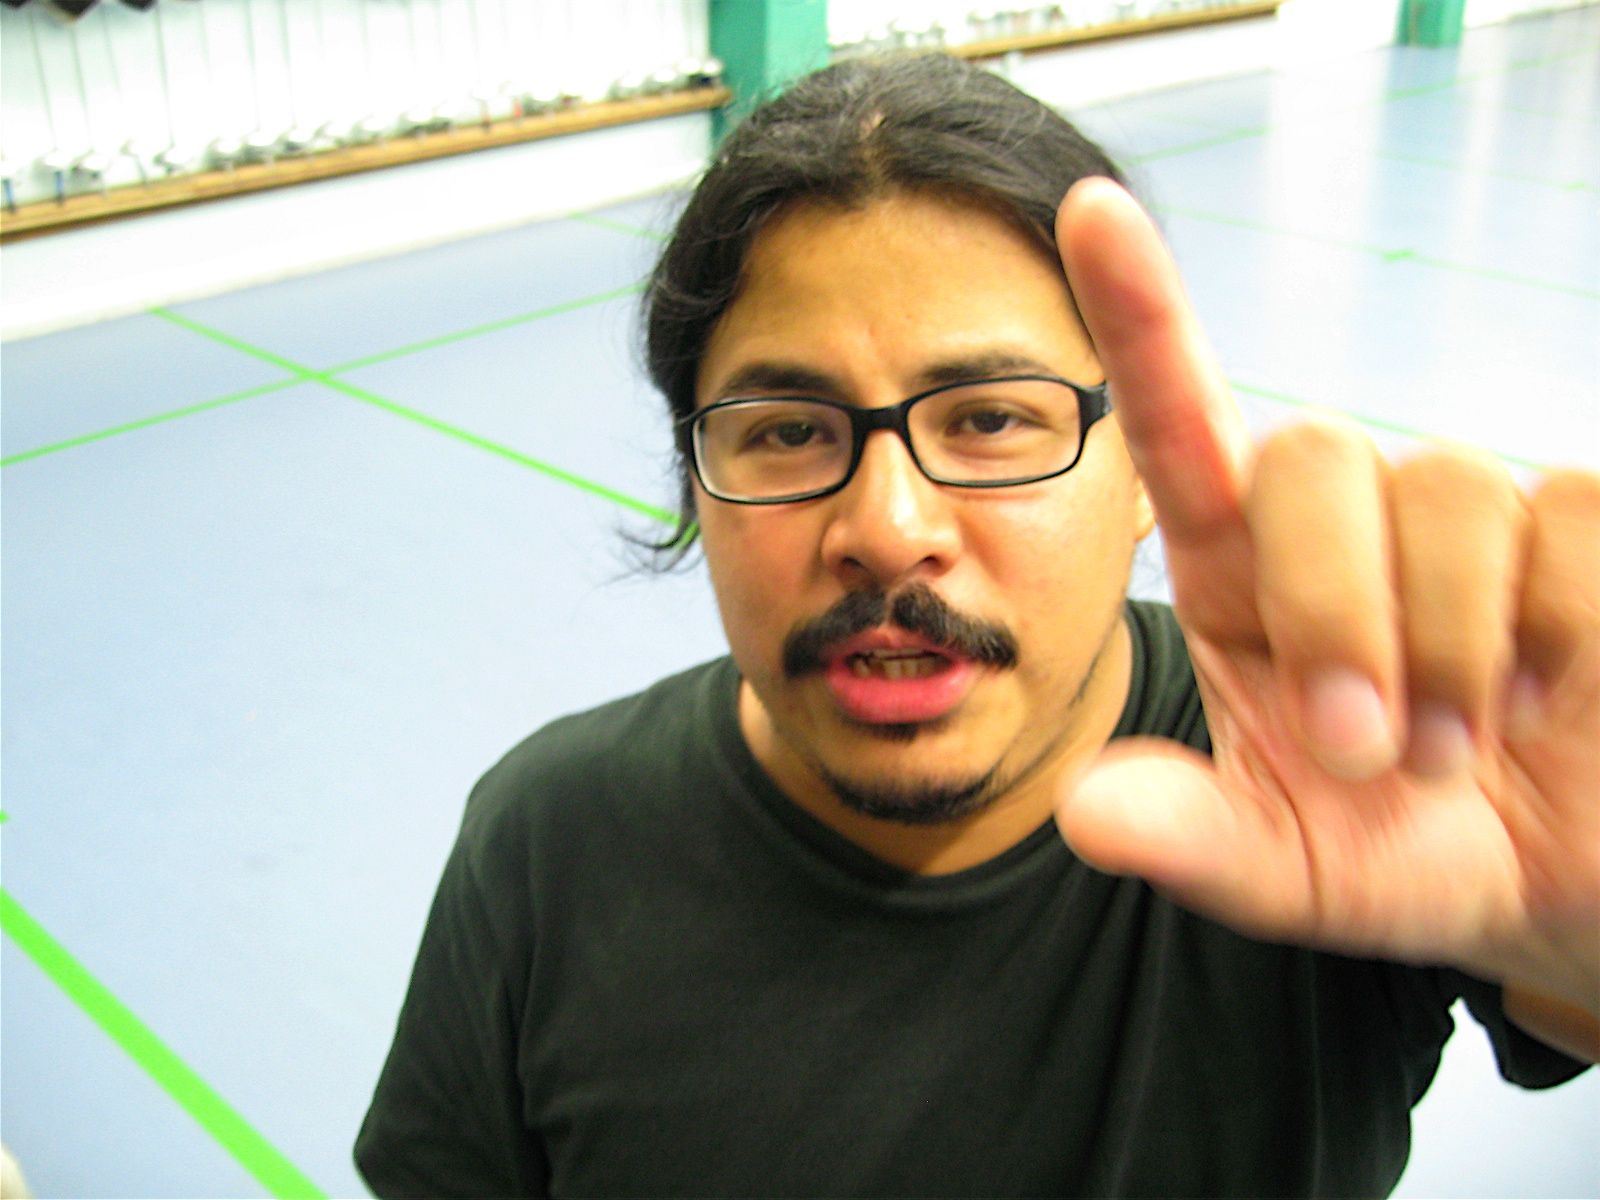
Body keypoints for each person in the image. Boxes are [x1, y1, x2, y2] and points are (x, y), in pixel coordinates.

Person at [354, 55, 1597, 1197]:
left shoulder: (1350, 780)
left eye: (992, 420)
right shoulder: (547, 845)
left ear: (1139, 468)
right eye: (786, 432)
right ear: (696, 482)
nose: (887, 528)